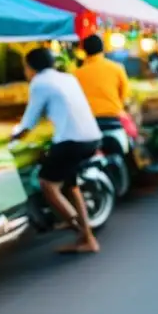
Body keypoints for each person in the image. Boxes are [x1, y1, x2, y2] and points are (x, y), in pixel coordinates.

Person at [12, 48, 103, 254]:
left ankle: (80, 230)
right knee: (71, 186)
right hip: (91, 137)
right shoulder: (67, 78)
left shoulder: (39, 82)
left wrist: (14, 137)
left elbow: (29, 120)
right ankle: (85, 234)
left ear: (30, 68)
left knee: (47, 183)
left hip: (71, 140)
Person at [73, 34, 130, 128]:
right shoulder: (117, 68)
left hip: (88, 121)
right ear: (103, 48)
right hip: (113, 119)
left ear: (84, 51)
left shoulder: (76, 74)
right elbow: (124, 94)